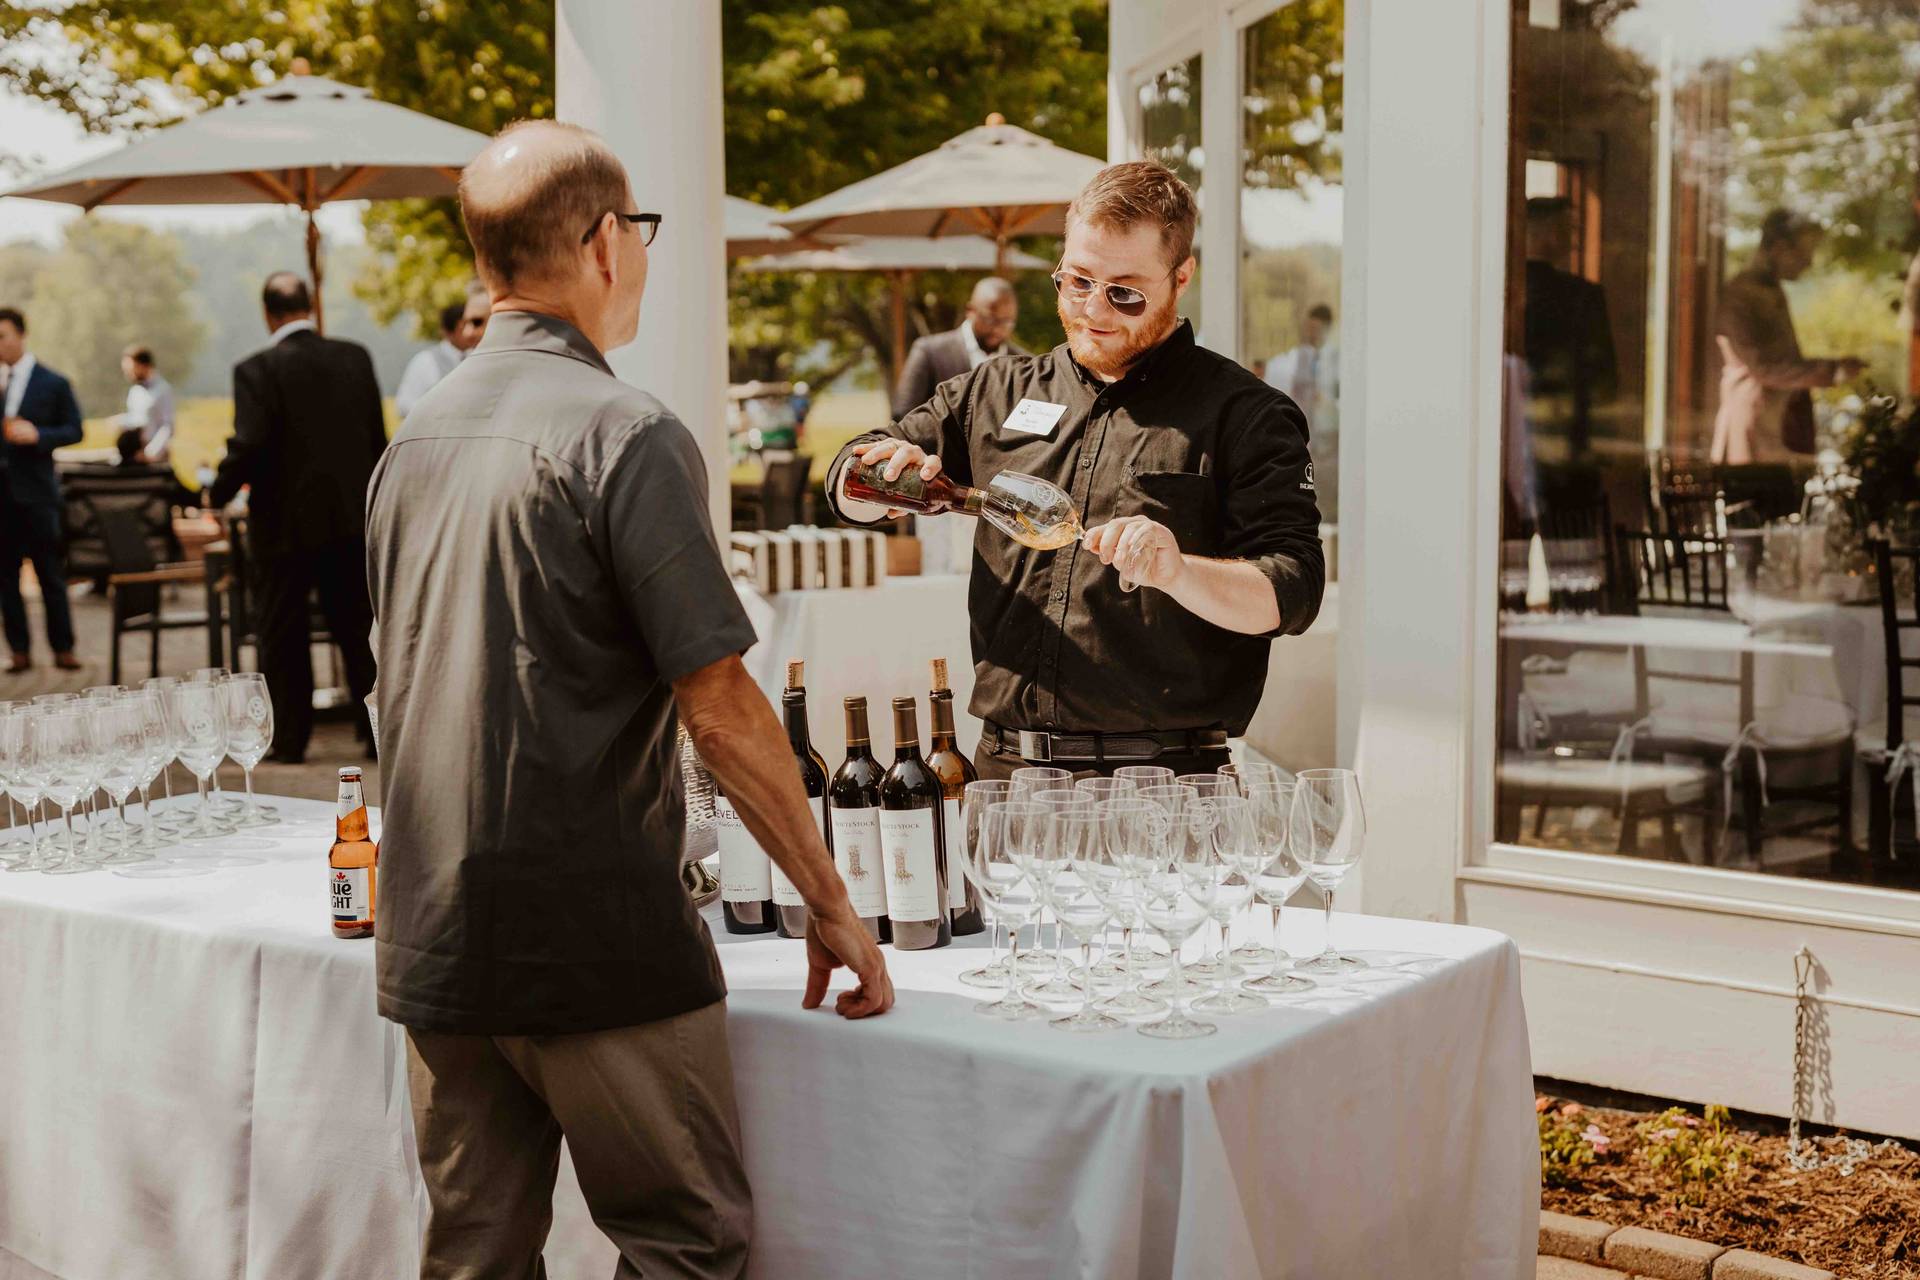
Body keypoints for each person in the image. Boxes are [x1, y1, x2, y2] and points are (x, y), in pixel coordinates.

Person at [364, 120, 893, 1279]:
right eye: (639, 231)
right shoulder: (626, 431)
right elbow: (720, 704)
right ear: (607, 243)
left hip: (437, 928)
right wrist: (831, 901)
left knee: (471, 1258)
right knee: (684, 1245)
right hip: (595, 933)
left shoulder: (412, 442)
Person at [830, 161, 1325, 780]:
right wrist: (878, 474)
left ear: (1181, 278)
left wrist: (1178, 571)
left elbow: (1294, 589)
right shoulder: (996, 390)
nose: (1095, 310)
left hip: (1161, 786)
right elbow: (851, 479)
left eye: (1125, 292)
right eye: (1077, 282)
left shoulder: (1245, 414)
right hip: (1006, 777)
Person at [208, 273, 383, 762]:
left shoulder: (255, 370)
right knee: (357, 628)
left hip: (283, 527)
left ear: (268, 313)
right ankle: (376, 732)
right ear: (311, 305)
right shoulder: (355, 357)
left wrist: (216, 492)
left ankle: (290, 741)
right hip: (351, 520)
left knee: (282, 633)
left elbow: (251, 444)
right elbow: (375, 438)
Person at [1711, 208, 1866, 465]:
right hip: (1758, 432)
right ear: (1780, 248)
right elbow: (1764, 367)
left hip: (1777, 429)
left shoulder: (1768, 291)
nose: (1809, 262)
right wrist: (1833, 370)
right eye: (1806, 252)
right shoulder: (1742, 296)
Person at [0, 307, 82, 672]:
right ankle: (19, 651)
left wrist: (39, 435)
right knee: (6, 578)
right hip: (1, 499)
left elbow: (75, 430)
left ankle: (63, 648)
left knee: (51, 574)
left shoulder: (54, 382)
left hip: (38, 494)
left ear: (21, 334)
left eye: (2, 336)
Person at [1521, 198, 1617, 459]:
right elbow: (1604, 383)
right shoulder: (1583, 296)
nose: (1575, 240)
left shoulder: (1500, 291)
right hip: (1567, 440)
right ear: (1553, 233)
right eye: (1570, 229)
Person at [890, 275, 1025, 419]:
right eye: (990, 319)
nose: (998, 329)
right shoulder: (929, 352)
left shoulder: (1023, 363)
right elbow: (902, 415)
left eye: (1007, 322)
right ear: (970, 310)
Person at [395, 293, 485, 420]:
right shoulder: (425, 361)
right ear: (448, 332)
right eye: (463, 327)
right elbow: (404, 405)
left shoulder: (480, 358)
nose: (469, 332)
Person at [1264, 302, 1339, 428]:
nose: (1311, 333)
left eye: (1316, 328)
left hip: (1327, 426)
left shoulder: (1336, 359)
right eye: (1309, 328)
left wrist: (1327, 400)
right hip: (1302, 422)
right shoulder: (1298, 356)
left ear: (1327, 328)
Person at [112, 344, 176, 466]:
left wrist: (151, 453)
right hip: (135, 454)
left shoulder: (163, 390)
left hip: (155, 456)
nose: (127, 374)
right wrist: (121, 420)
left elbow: (167, 426)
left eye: (130, 369)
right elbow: (138, 419)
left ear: (143, 365)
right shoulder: (135, 391)